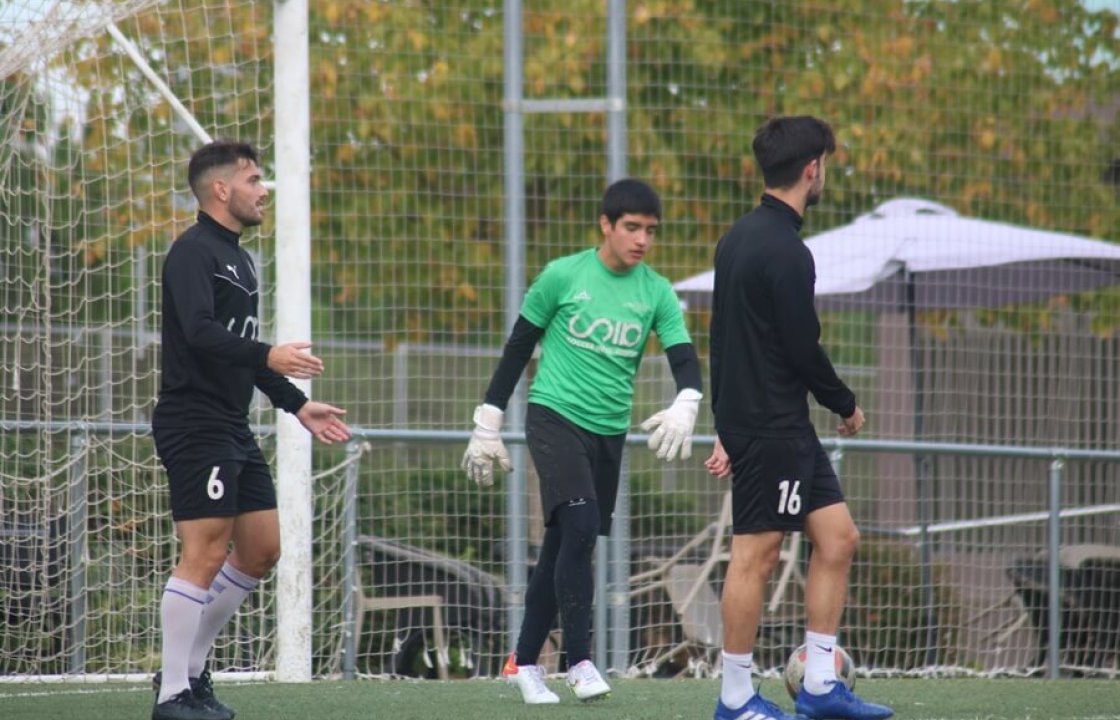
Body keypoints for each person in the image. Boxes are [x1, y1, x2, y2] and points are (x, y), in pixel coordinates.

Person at [462, 178, 703, 704]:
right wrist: (487, 422)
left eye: (650, 231)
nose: (641, 239)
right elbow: (516, 350)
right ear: (606, 225)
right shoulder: (563, 275)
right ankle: (579, 661)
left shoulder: (657, 291)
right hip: (554, 417)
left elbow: (685, 361)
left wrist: (688, 402)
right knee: (582, 523)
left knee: (565, 542)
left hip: (609, 432)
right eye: (631, 228)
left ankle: (524, 663)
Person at [150, 140, 351, 720]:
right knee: (204, 552)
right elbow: (200, 333)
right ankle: (173, 697)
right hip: (194, 421)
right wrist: (271, 355)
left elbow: (239, 356)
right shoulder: (192, 253)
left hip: (232, 424)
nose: (264, 190)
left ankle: (186, 674)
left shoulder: (240, 259)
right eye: (256, 179)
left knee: (261, 550)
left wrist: (295, 405)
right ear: (221, 189)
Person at [706, 116, 893, 720]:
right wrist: (845, 402)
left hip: (779, 426)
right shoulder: (786, 250)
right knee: (755, 557)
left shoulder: (737, 237)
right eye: (827, 165)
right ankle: (735, 700)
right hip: (771, 429)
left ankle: (818, 688)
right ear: (812, 168)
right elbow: (799, 347)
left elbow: (726, 339)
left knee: (838, 539)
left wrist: (725, 420)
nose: (825, 174)